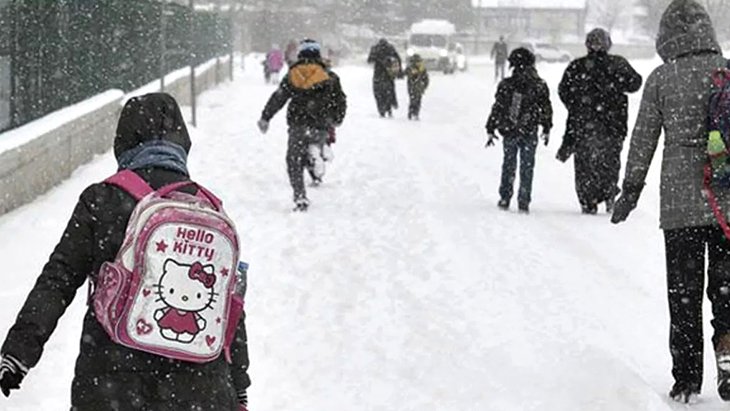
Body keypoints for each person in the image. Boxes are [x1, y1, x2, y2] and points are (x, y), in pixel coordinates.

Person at [0, 93, 251, 410]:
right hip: (199, 386)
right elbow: (231, 307)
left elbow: (58, 279)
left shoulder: (102, 199)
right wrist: (237, 384)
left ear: (124, 141)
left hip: (111, 380)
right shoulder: (208, 208)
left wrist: (19, 351)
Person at [610, 0, 728, 404]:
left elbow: (643, 137)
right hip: (727, 199)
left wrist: (630, 189)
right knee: (727, 290)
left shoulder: (662, 78)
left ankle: (686, 380)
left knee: (684, 293)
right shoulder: (727, 70)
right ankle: (728, 350)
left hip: (680, 205)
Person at [557, 28, 643, 214]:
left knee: (585, 164)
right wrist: (616, 86)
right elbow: (635, 83)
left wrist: (577, 106)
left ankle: (588, 199)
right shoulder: (617, 64)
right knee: (610, 162)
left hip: (583, 125)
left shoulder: (577, 67)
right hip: (613, 124)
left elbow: (563, 90)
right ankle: (609, 193)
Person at [257, 39, 347, 212]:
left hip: (298, 123)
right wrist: (336, 118)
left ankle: (300, 196)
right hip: (321, 124)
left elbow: (279, 98)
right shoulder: (330, 77)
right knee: (315, 144)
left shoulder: (293, 74)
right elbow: (340, 100)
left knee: (294, 160)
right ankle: (318, 154)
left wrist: (265, 117)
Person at [485, 47, 553, 214]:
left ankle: (505, 196)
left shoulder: (507, 85)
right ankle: (524, 199)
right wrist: (546, 126)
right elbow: (546, 108)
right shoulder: (539, 85)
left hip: (510, 130)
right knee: (527, 166)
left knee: (509, 164)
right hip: (530, 130)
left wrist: (491, 126)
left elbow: (498, 107)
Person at [367, 38, 402, 118]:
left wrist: (377, 59)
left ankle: (381, 110)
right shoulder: (390, 48)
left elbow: (369, 60)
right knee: (389, 91)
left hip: (378, 74)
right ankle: (389, 107)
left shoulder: (375, 49)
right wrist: (399, 71)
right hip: (388, 74)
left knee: (378, 93)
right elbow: (398, 59)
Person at [406, 54, 429, 121]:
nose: (418, 63)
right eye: (417, 62)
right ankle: (411, 112)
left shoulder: (422, 69)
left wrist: (424, 86)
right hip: (412, 88)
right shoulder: (410, 68)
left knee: (418, 100)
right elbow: (406, 73)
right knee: (413, 100)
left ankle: (416, 113)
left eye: (419, 62)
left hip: (419, 88)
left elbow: (426, 78)